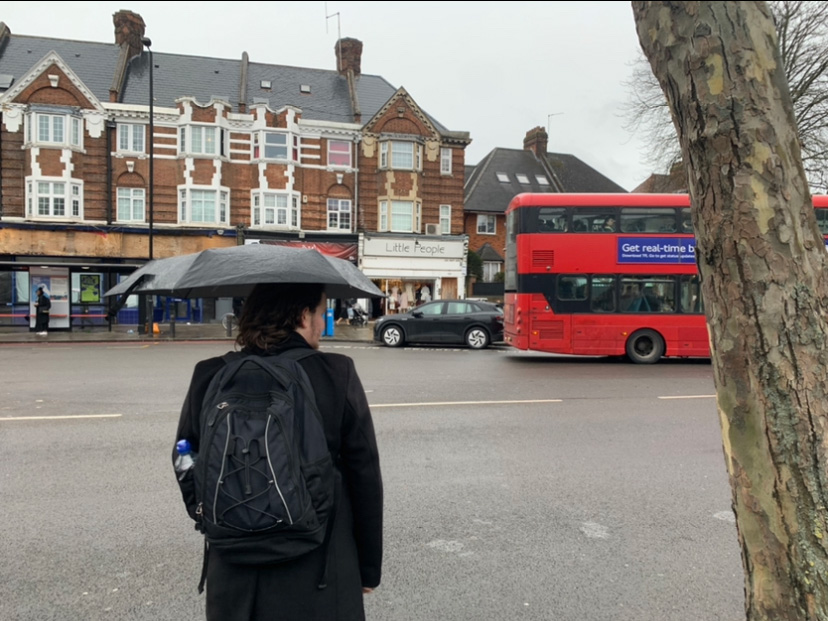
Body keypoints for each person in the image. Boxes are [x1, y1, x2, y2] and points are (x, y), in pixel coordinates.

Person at [173, 283, 383, 621]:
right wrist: (368, 568)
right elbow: (365, 476)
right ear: (303, 316)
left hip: (234, 574)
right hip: (320, 569)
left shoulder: (210, 373)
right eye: (321, 312)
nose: (322, 322)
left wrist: (207, 511)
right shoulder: (335, 372)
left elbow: (185, 456)